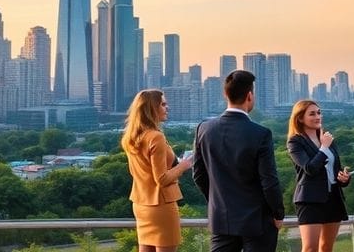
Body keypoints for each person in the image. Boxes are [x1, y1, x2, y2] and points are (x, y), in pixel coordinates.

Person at [193, 70, 285, 252]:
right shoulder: (260, 134)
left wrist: (217, 202)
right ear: (250, 96)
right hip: (257, 220)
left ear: (225, 94)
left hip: (221, 218)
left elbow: (198, 175)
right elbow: (269, 180)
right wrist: (278, 212)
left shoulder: (204, 129)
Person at [122, 89, 194, 252]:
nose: (167, 108)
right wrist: (183, 166)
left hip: (141, 204)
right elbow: (161, 179)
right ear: (151, 108)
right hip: (160, 205)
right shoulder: (156, 137)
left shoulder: (132, 137)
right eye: (163, 104)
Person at [286, 100, 352, 252]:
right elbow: (310, 168)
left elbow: (335, 169)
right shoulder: (295, 142)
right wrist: (323, 147)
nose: (318, 116)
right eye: (312, 114)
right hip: (310, 200)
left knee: (326, 248)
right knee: (310, 248)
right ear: (300, 118)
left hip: (333, 199)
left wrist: (344, 178)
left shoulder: (327, 138)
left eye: (319, 112)